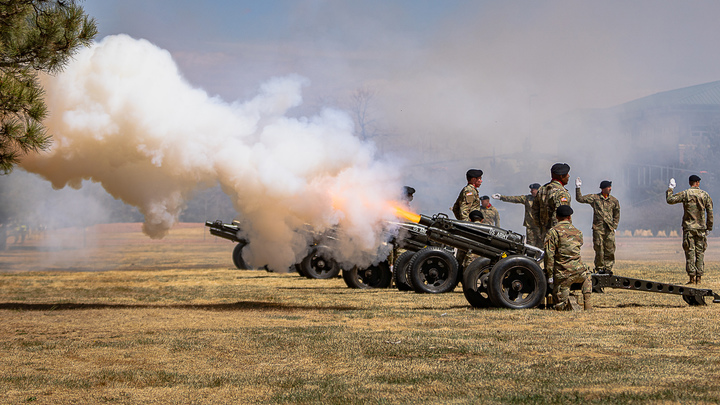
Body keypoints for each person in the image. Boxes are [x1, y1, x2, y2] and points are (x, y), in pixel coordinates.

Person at [666, 175, 714, 284]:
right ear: (697, 182)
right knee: (700, 252)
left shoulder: (686, 194)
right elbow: (710, 212)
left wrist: (671, 188)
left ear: (690, 182)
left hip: (689, 228)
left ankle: (692, 278)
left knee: (690, 252)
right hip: (701, 228)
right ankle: (699, 278)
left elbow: (670, 200)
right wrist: (709, 226)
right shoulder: (705, 195)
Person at [544, 205, 592, 311]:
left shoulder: (553, 232)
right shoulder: (578, 232)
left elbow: (549, 255)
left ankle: (563, 303)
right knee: (587, 276)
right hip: (580, 272)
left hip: (563, 274)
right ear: (570, 217)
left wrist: (550, 275)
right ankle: (588, 305)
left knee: (560, 306)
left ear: (556, 217)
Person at [575, 179, 621, 275]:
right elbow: (580, 199)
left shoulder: (614, 200)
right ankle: (599, 268)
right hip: (598, 229)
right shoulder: (595, 198)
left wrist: (615, 226)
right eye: (608, 187)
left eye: (610, 187)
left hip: (609, 229)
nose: (610, 189)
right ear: (603, 188)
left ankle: (608, 269)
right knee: (599, 249)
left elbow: (617, 214)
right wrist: (578, 188)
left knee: (610, 249)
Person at [532, 163, 572, 240]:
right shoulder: (561, 193)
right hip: (557, 235)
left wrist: (540, 229)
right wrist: (558, 234)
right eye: (566, 174)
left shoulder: (542, 189)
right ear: (561, 176)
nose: (568, 176)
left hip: (544, 234)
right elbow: (561, 216)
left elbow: (534, 211)